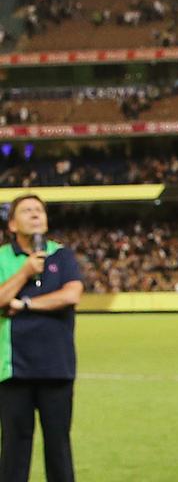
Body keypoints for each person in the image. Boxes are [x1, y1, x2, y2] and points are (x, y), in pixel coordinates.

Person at [0, 194, 83, 482]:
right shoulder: (2, 258)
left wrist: (25, 304)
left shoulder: (63, 255)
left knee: (58, 449)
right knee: (13, 451)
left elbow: (72, 294)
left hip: (56, 366)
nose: (36, 214)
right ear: (12, 224)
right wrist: (24, 272)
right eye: (27, 210)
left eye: (39, 210)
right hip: (13, 369)